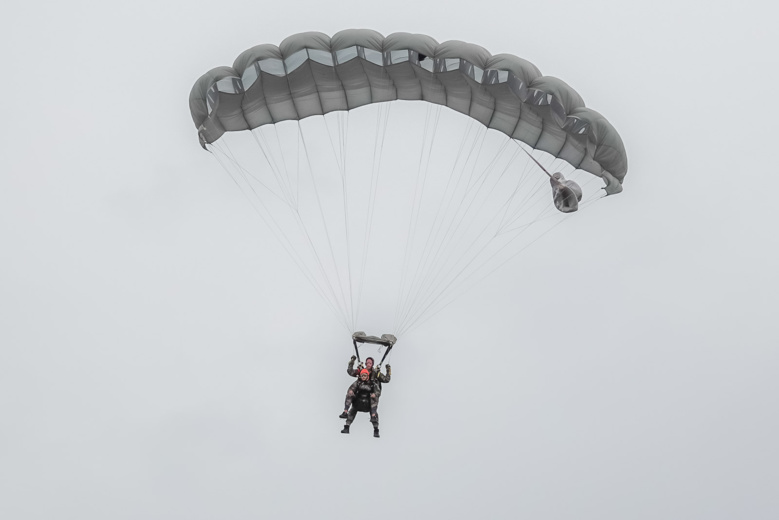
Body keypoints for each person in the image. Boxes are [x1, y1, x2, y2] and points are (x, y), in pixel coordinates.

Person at [340, 369, 381, 437]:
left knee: (374, 398)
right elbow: (351, 388)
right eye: (362, 375)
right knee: (349, 396)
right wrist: (351, 392)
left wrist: (375, 394)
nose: (363, 377)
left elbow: (378, 392)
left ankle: (375, 428)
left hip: (369, 404)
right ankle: (346, 416)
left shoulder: (373, 383)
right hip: (358, 402)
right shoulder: (358, 382)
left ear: (368, 376)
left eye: (365, 375)